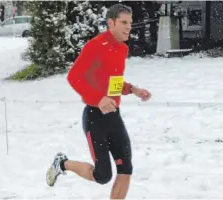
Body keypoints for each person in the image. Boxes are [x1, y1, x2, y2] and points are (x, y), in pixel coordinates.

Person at [45, 4, 151, 199]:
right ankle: (62, 163)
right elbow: (74, 77)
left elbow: (112, 83)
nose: (129, 27)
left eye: (130, 22)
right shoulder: (95, 45)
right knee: (103, 176)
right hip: (95, 118)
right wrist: (98, 99)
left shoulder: (121, 48)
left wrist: (132, 89)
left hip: (114, 117)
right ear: (111, 23)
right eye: (124, 22)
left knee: (125, 170)